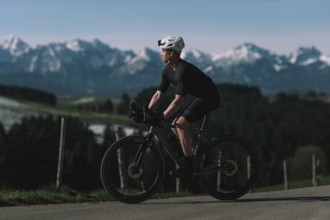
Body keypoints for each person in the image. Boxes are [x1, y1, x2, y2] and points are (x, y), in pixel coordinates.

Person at [148, 36, 221, 177]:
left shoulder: (183, 69)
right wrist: (148, 111)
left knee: (180, 124)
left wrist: (162, 116)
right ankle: (198, 157)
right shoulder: (168, 70)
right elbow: (159, 94)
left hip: (210, 96)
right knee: (175, 125)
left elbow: (178, 100)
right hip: (200, 96)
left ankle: (189, 165)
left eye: (163, 51)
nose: (160, 53)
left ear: (171, 53)